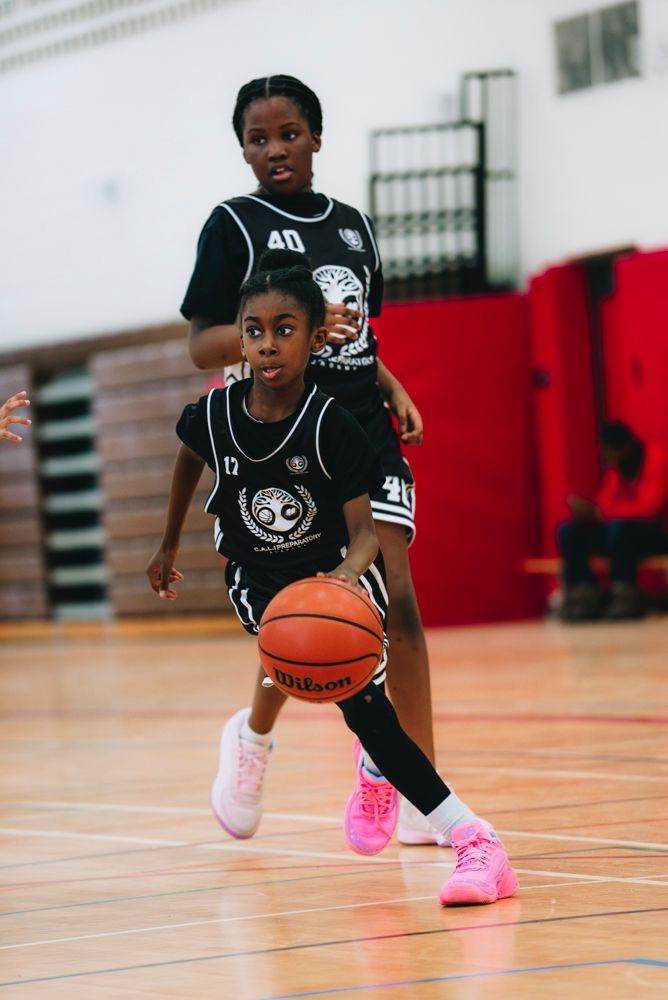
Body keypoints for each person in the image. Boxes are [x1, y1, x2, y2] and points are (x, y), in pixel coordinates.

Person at [147, 253, 518, 906]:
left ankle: (473, 840)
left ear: (316, 339)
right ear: (240, 340)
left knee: (367, 710)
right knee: (333, 689)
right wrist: (169, 541)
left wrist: (343, 579)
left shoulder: (332, 426)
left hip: (332, 574)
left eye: (285, 329)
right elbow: (188, 458)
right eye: (254, 331)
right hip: (259, 581)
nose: (268, 344)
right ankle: (432, 806)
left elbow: (366, 533)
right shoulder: (215, 414)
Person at [180, 74, 439, 848]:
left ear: (317, 137)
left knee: (399, 605)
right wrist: (284, 325)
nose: (275, 150)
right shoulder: (234, 225)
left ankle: (420, 789)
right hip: (283, 440)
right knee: (301, 617)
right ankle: (254, 736)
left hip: (363, 430)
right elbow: (201, 345)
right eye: (257, 139)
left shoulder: (354, 227)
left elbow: (357, 334)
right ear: (243, 150)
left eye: (289, 134)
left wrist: (393, 385)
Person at [558, 421, 668, 621]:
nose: (607, 459)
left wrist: (603, 514)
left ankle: (625, 595)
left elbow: (650, 508)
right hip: (620, 534)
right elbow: (604, 504)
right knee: (569, 531)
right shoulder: (617, 469)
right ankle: (583, 594)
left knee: (619, 529)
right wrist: (592, 514)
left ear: (625, 448)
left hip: (657, 535)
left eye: (609, 453)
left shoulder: (658, 459)